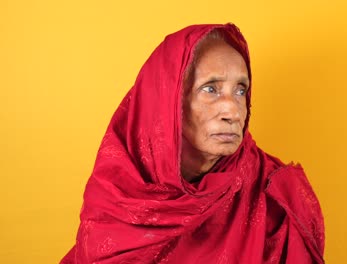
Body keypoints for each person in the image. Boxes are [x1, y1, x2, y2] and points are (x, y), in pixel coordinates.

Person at [61, 23, 325, 264]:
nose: (233, 111)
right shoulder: (118, 189)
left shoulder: (275, 198)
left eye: (241, 90)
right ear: (167, 101)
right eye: (211, 89)